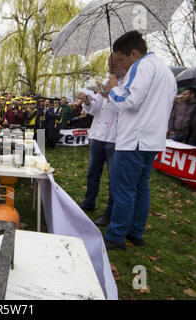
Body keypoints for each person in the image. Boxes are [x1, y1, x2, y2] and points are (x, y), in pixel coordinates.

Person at [103, 31, 177, 250]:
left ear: (134, 53)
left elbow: (130, 101)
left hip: (134, 139)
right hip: (152, 140)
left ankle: (116, 236)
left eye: (122, 60)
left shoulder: (142, 66)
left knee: (123, 189)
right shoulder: (166, 71)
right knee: (141, 187)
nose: (120, 65)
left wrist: (113, 88)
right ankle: (135, 231)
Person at [78, 54, 127, 227]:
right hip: (97, 135)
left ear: (122, 63)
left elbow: (125, 107)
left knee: (114, 177)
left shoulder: (127, 84)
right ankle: (89, 202)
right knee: (93, 172)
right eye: (108, 65)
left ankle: (110, 212)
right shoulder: (106, 82)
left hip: (115, 137)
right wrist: (88, 101)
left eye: (112, 65)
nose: (109, 69)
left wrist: (110, 94)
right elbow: (94, 109)